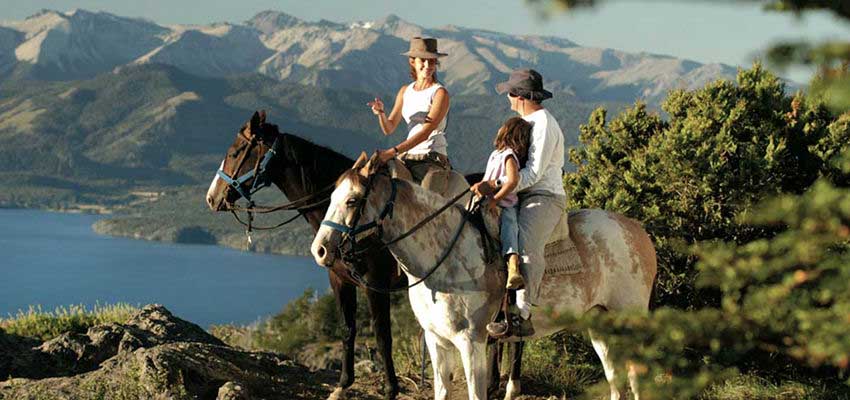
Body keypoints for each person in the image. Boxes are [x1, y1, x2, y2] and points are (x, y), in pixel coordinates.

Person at [472, 68, 567, 338]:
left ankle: (522, 315)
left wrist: (496, 185)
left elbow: (533, 174)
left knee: (525, 244)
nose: (508, 98)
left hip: (544, 195)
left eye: (511, 94)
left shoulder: (543, 123)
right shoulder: (526, 121)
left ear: (521, 97)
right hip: (520, 193)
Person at [367, 37, 451, 182]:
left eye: (432, 61)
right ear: (412, 62)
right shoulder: (405, 91)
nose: (427, 65)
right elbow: (389, 128)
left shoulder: (440, 93)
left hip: (432, 156)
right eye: (423, 60)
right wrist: (381, 113)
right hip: (407, 155)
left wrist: (392, 152)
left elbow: (425, 133)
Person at [480, 117, 533, 291]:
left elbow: (512, 181)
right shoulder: (496, 154)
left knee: (510, 226)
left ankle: (513, 265)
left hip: (506, 203)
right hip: (489, 199)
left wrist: (495, 199)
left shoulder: (508, 156)